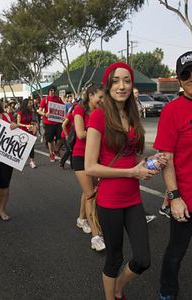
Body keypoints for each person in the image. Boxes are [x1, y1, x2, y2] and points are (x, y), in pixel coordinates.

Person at [85, 62, 167, 300]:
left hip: (132, 198)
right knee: (114, 258)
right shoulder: (99, 116)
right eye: (116, 80)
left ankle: (119, 287)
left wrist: (151, 160)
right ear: (108, 85)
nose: (122, 86)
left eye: (127, 80)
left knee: (143, 259)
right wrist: (132, 172)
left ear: (132, 85)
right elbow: (90, 166)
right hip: (109, 200)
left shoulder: (132, 115)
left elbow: (133, 155)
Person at [154, 50, 192, 300]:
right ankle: (167, 293)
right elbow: (167, 160)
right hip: (188, 200)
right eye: (185, 74)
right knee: (176, 252)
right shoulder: (172, 111)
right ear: (180, 80)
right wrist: (174, 197)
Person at [72, 83, 106, 251]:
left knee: (88, 191)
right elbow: (80, 133)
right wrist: (99, 133)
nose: (102, 100)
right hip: (80, 156)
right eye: (100, 97)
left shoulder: (102, 112)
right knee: (91, 194)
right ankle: (96, 236)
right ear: (91, 95)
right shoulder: (80, 110)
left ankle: (81, 219)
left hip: (97, 156)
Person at [37, 86, 64, 162]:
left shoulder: (58, 99)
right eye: (51, 90)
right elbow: (39, 111)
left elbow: (63, 108)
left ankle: (56, 150)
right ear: (48, 92)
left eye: (54, 90)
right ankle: (51, 154)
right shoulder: (45, 100)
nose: (52, 92)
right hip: (48, 123)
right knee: (50, 139)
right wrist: (45, 114)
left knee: (61, 138)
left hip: (58, 122)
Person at [17, 98, 37, 168]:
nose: (31, 104)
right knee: (22, 147)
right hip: (22, 131)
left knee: (31, 146)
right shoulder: (20, 112)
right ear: (25, 104)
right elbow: (18, 123)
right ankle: (18, 160)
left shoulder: (31, 112)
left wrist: (34, 124)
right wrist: (25, 125)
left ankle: (32, 161)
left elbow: (30, 121)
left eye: (31, 103)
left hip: (30, 130)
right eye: (29, 103)